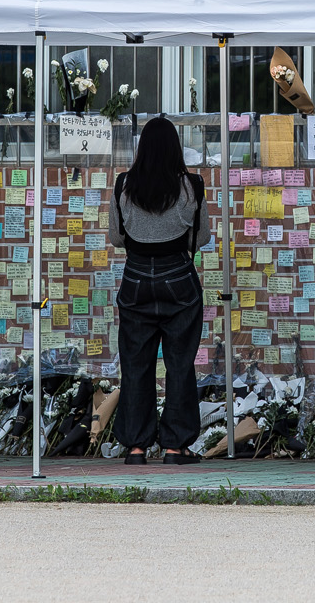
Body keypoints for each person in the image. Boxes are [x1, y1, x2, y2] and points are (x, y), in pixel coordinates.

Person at [107, 116, 208, 466]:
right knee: (180, 363)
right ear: (175, 149)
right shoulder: (193, 186)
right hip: (179, 277)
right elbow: (202, 237)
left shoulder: (123, 184)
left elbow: (117, 238)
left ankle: (136, 447)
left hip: (135, 279)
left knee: (136, 364)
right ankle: (174, 447)